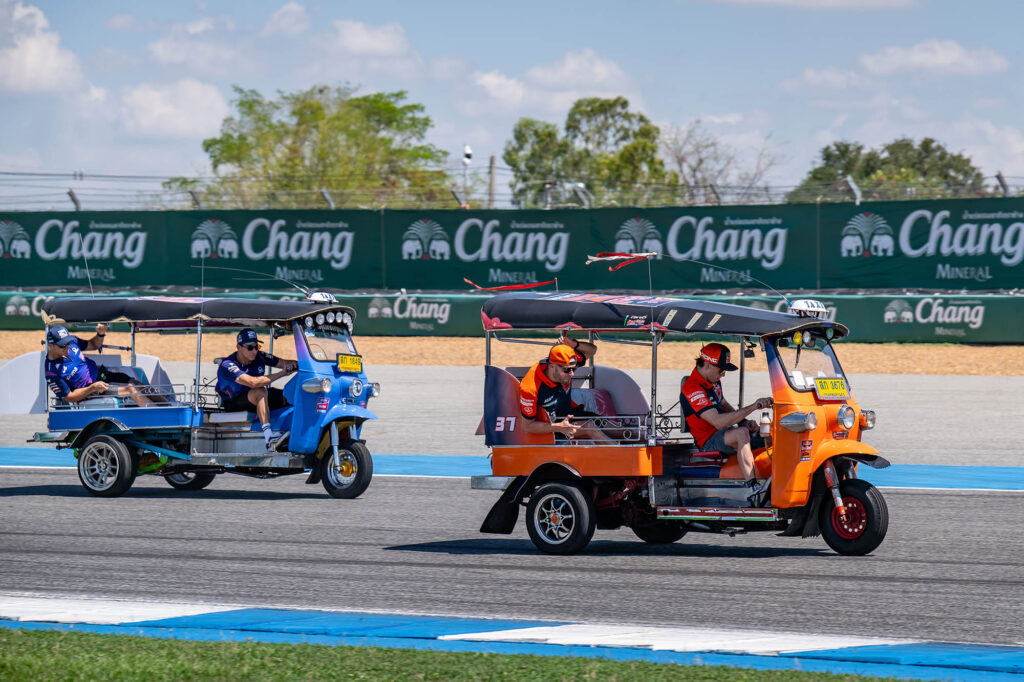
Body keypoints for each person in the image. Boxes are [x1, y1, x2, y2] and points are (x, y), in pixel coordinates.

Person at [680, 342, 772, 502]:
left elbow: (723, 404)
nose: (723, 375)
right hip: (708, 441)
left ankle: (773, 479)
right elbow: (717, 422)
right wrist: (753, 406)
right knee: (741, 433)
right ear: (707, 365)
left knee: (767, 433)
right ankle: (753, 487)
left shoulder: (713, 381)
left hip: (724, 433)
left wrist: (744, 421)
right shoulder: (692, 388)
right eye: (721, 370)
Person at [519, 336, 612, 442]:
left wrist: (575, 344)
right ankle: (618, 453)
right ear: (551, 366)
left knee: (618, 429)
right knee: (590, 427)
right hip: (552, 428)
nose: (572, 374)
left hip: (570, 414)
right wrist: (558, 427)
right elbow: (528, 426)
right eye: (567, 370)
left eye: (573, 368)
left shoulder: (565, 364)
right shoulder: (530, 388)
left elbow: (592, 350)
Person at [216, 329, 298, 449]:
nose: (254, 351)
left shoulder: (259, 356)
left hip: (253, 397)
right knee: (261, 390)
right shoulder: (228, 365)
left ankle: (295, 432)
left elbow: (284, 363)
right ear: (239, 347)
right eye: (250, 347)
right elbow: (253, 383)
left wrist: (297, 365)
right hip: (233, 402)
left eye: (256, 346)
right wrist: (282, 373)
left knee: (287, 396)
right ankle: (268, 436)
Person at [44, 324, 154, 406]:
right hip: (90, 391)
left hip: (103, 375)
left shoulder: (72, 341)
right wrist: (92, 388)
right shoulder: (51, 372)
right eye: (62, 345)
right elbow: (69, 397)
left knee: (140, 386)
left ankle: (164, 408)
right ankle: (157, 416)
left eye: (68, 343)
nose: (67, 347)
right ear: (50, 345)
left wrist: (100, 333)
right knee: (131, 390)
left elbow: (94, 344)